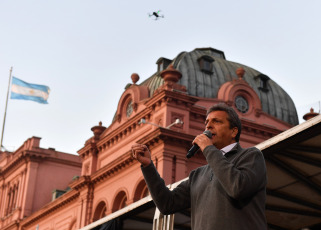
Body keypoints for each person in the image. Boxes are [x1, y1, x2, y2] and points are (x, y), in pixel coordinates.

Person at [131, 103, 267, 229]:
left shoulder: (251, 156)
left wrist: (208, 149)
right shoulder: (197, 175)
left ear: (233, 131)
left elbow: (237, 187)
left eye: (216, 121)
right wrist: (148, 166)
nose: (208, 126)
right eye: (206, 122)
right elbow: (167, 204)